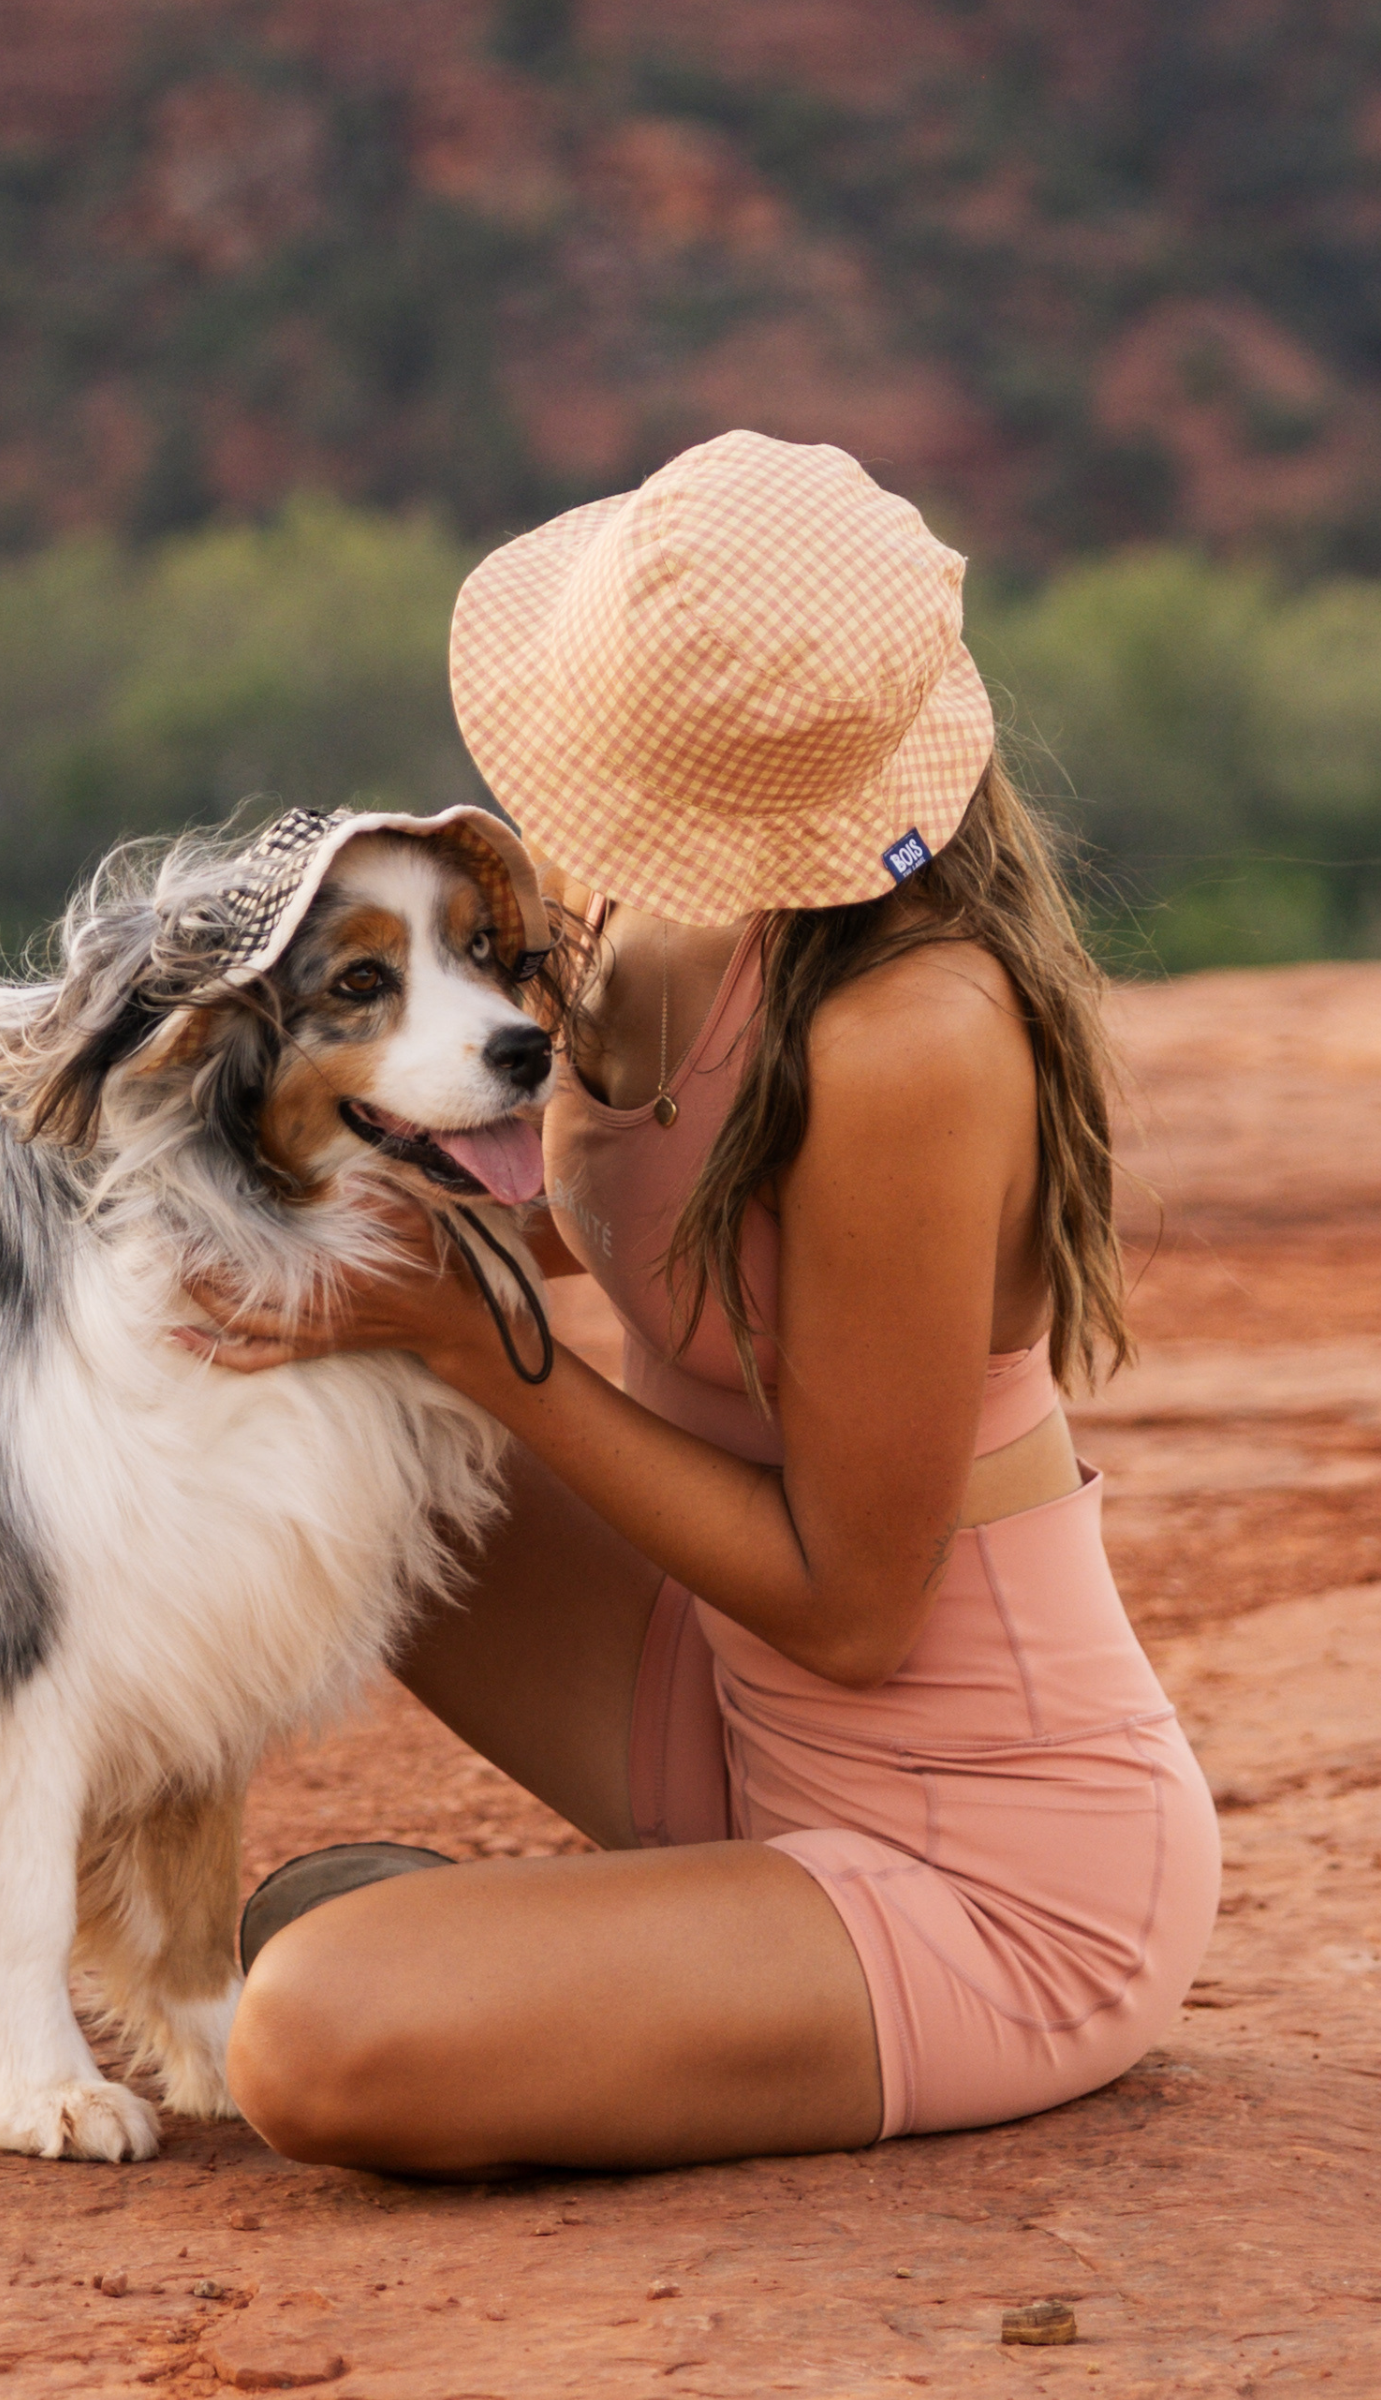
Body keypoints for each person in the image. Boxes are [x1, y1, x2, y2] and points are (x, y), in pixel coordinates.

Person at [187, 431, 1222, 2174]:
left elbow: (852, 1615)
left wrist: (479, 1337)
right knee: (249, 1372)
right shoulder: (634, 893)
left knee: (310, 2039)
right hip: (718, 1721)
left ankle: (568, 1971)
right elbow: (646, 1218)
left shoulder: (913, 1036)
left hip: (986, 1861)